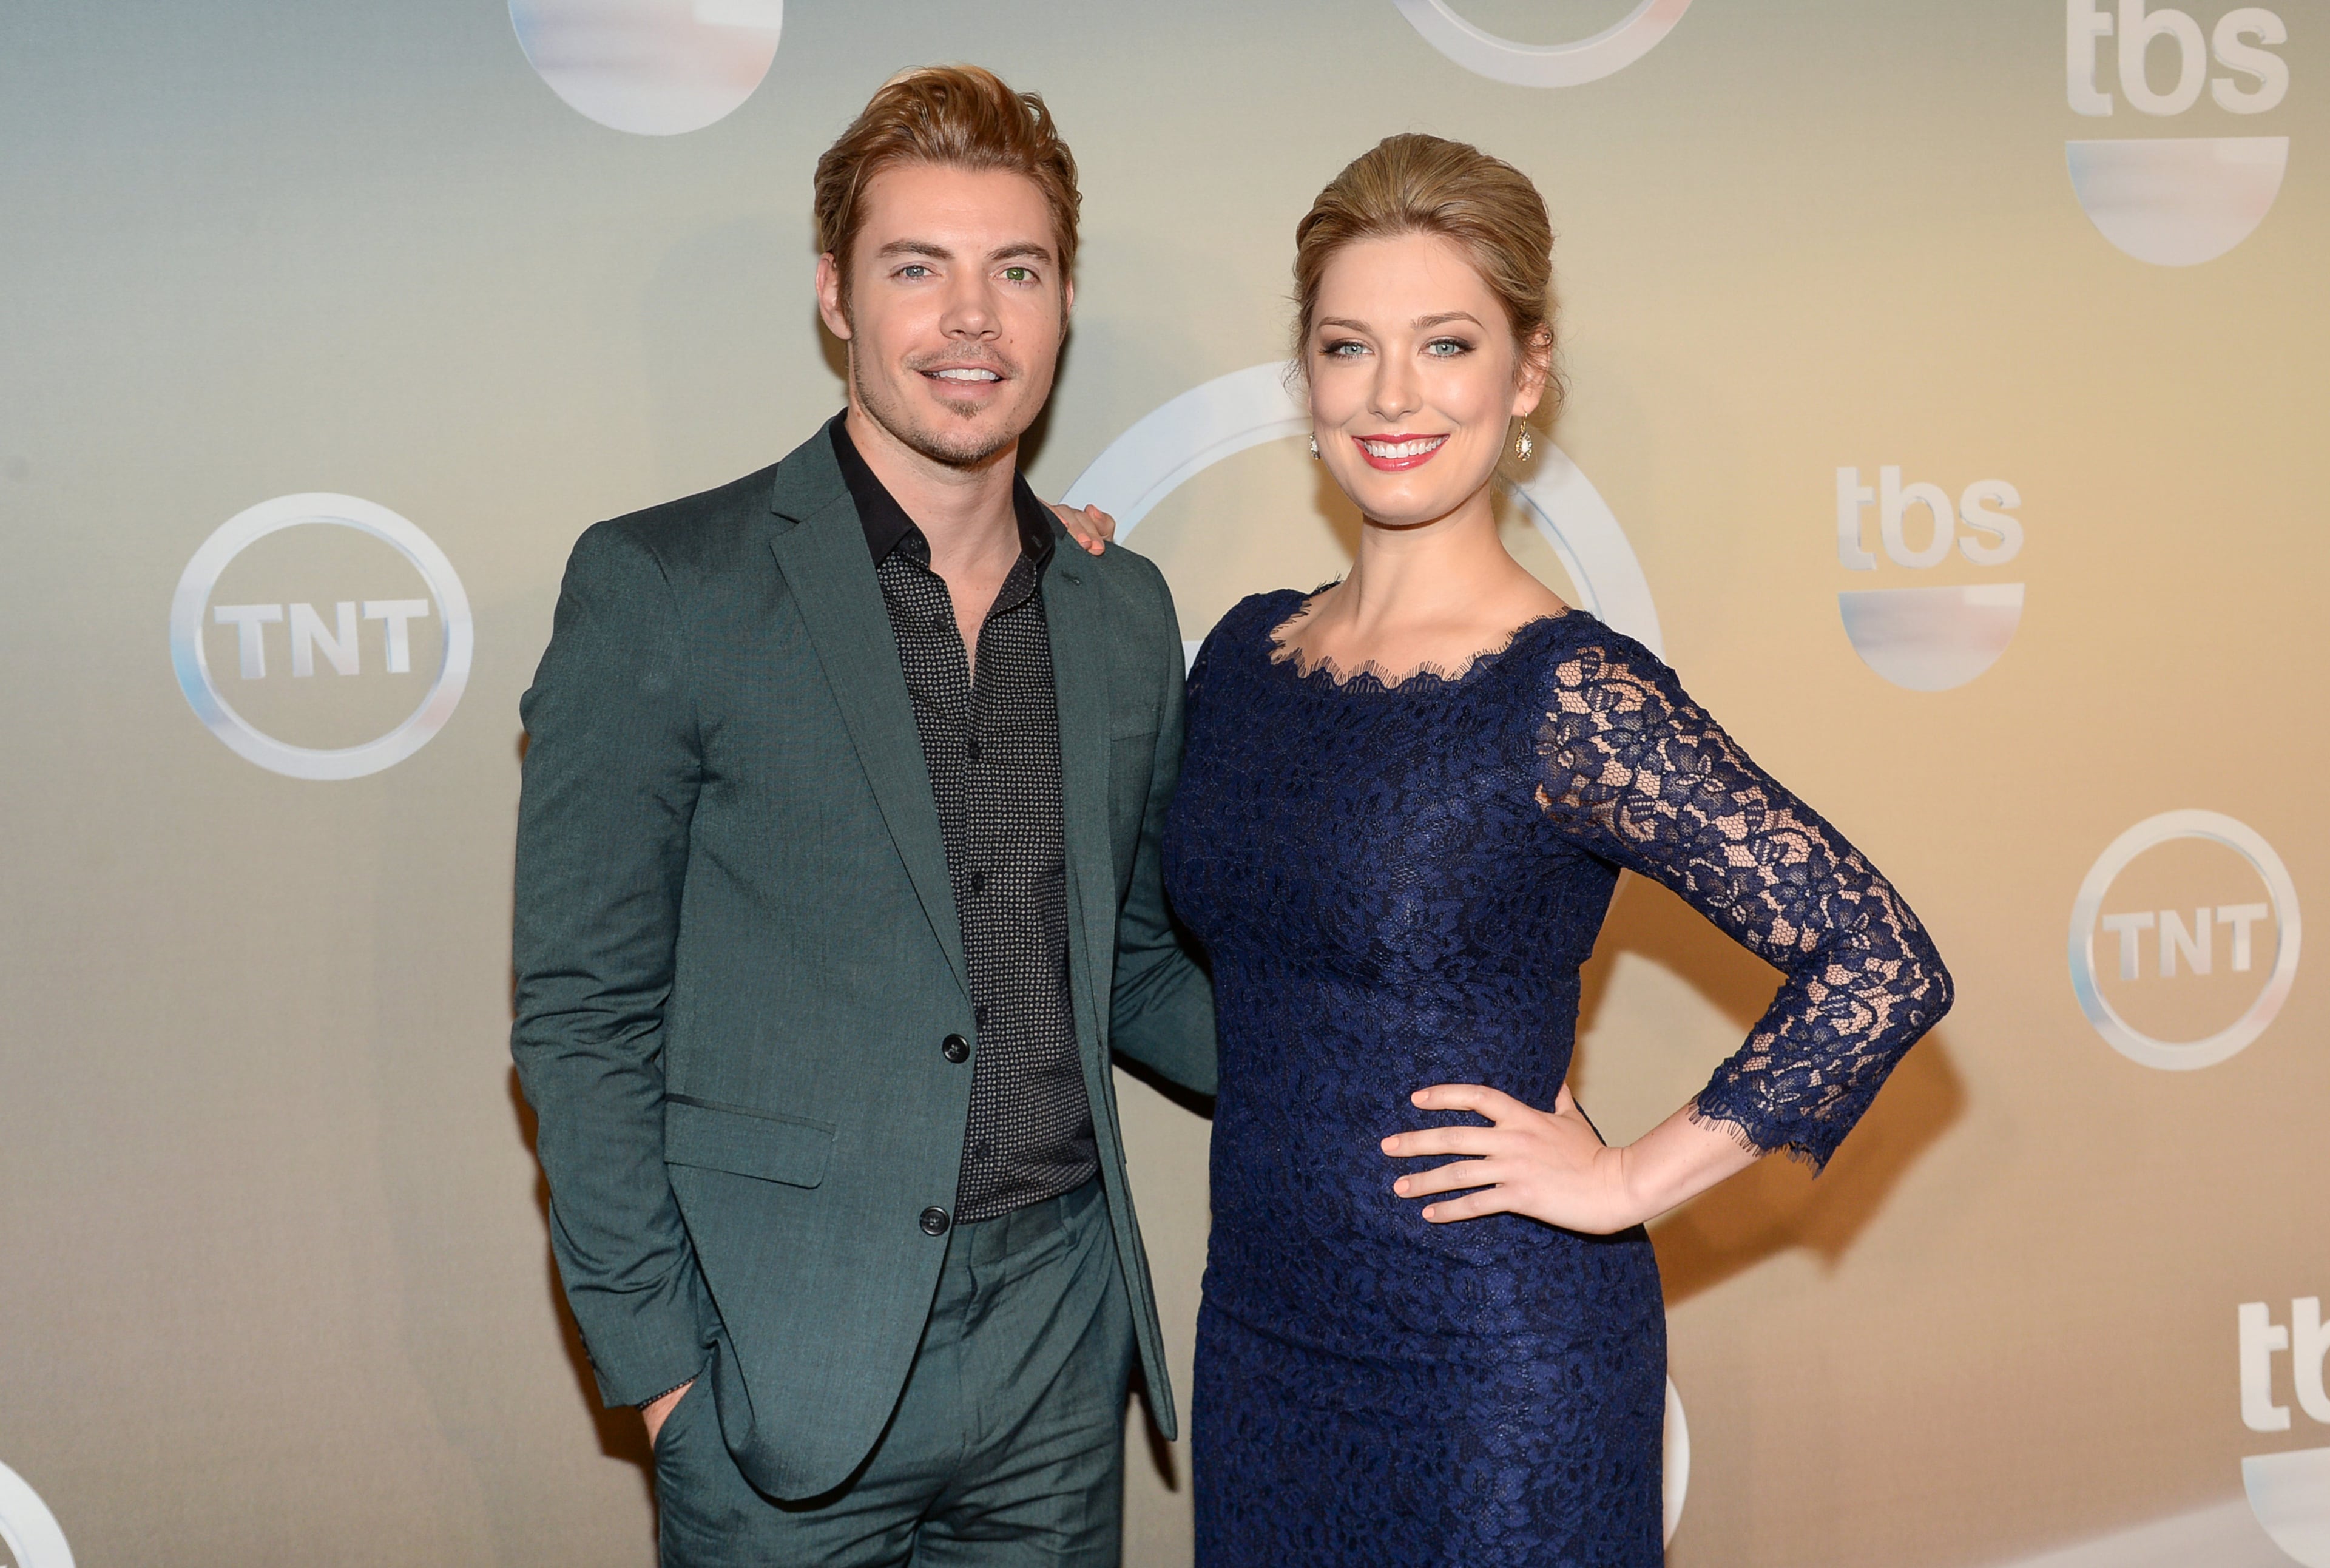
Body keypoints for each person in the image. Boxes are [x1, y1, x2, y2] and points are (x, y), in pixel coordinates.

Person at [1065, 133, 1953, 1564]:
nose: (1394, 394)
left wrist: (1623, 1180)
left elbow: (1880, 961)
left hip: (1493, 1365)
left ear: (1527, 374)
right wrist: (1044, 571)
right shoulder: (1238, 656)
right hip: (1265, 1343)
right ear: (1306, 380)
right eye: (1350, 347)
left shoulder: (1570, 696)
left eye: (1447, 342)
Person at [509, 66, 1215, 1567]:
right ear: (836, 295)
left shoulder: (1123, 609)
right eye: (920, 267)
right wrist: (662, 1374)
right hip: (777, 1364)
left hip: (1058, 1346)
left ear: (1063, 301)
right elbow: (581, 1012)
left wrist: (1390, 1064)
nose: (973, 318)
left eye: (1014, 270)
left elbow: (1134, 961)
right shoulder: (664, 587)